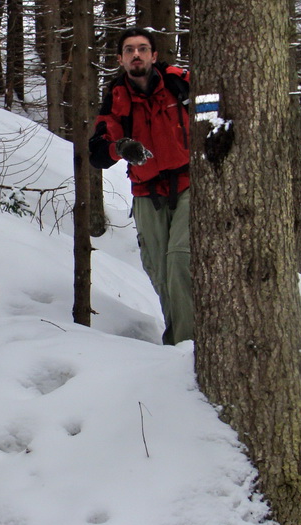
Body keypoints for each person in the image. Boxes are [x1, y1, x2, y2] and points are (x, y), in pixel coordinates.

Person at [89, 27, 193, 345]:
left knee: (179, 258)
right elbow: (97, 151)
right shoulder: (116, 98)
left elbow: (212, 104)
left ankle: (186, 346)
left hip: (190, 184)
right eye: (130, 50)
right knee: (160, 271)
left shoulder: (179, 81)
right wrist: (121, 148)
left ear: (154, 55)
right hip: (147, 193)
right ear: (120, 59)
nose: (137, 54)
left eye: (143, 49)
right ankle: (181, 338)